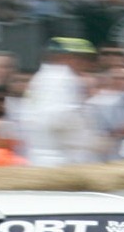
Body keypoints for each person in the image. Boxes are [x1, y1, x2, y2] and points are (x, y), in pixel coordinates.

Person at [17, 38, 93, 167]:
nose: (86, 63)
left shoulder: (41, 77)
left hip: (39, 156)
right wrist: (88, 139)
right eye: (83, 58)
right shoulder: (61, 78)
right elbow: (59, 119)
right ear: (67, 57)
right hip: (57, 160)